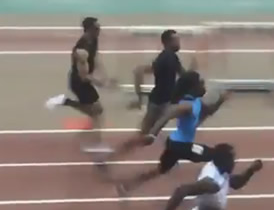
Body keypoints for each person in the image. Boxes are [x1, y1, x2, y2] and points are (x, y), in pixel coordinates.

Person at [116, 71, 230, 197]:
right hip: (182, 147)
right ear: (192, 88)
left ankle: (126, 186)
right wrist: (152, 134)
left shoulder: (197, 101)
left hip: (173, 144)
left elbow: (209, 111)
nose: (203, 84)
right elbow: (166, 117)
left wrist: (221, 100)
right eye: (200, 83)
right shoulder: (186, 105)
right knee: (216, 155)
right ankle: (201, 189)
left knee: (159, 170)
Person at [101, 29, 199, 168]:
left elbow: (183, 77)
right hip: (160, 103)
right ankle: (109, 158)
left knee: (148, 135)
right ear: (168, 42)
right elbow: (139, 71)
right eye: (176, 40)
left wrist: (191, 72)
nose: (179, 42)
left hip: (162, 102)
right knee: (145, 137)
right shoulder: (165, 58)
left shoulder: (171, 57)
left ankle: (110, 158)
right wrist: (139, 97)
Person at [45, 17, 114, 153]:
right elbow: (84, 76)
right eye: (97, 28)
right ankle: (96, 144)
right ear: (89, 30)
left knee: (96, 111)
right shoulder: (81, 51)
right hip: (79, 83)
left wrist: (105, 77)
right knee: (97, 113)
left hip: (84, 81)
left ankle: (65, 101)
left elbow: (95, 59)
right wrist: (100, 83)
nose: (100, 30)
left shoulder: (93, 39)